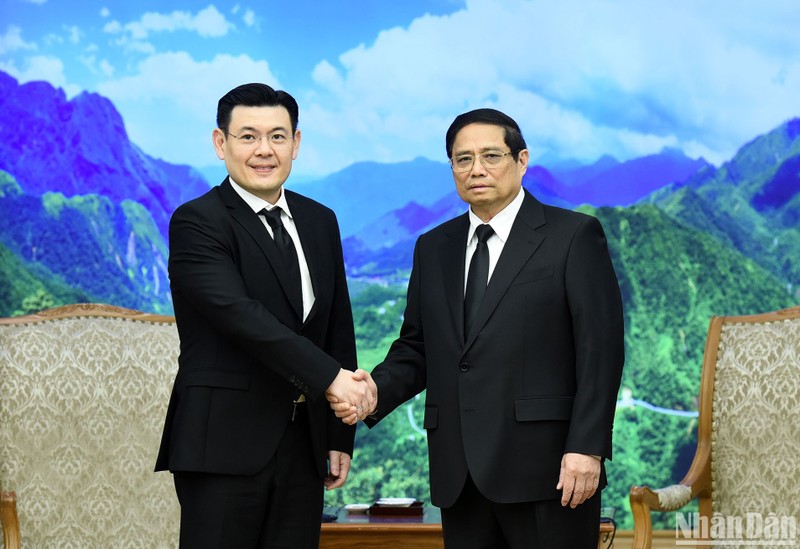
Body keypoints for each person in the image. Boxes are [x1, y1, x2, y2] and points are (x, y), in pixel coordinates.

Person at [332, 108, 624, 548]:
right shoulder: (433, 248)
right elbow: (417, 348)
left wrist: (587, 447)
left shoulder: (573, 236)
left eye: (491, 155)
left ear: (521, 160)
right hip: (459, 472)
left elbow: (600, 351)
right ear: (451, 167)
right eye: (462, 159)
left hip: (550, 473)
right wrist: (372, 392)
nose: (477, 169)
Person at [155, 82, 375, 548]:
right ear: (221, 143)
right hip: (222, 443)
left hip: (304, 444)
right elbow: (241, 317)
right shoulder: (197, 221)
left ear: (296, 144)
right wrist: (333, 379)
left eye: (277, 136)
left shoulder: (320, 220)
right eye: (248, 136)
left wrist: (339, 434)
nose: (264, 150)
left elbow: (337, 324)